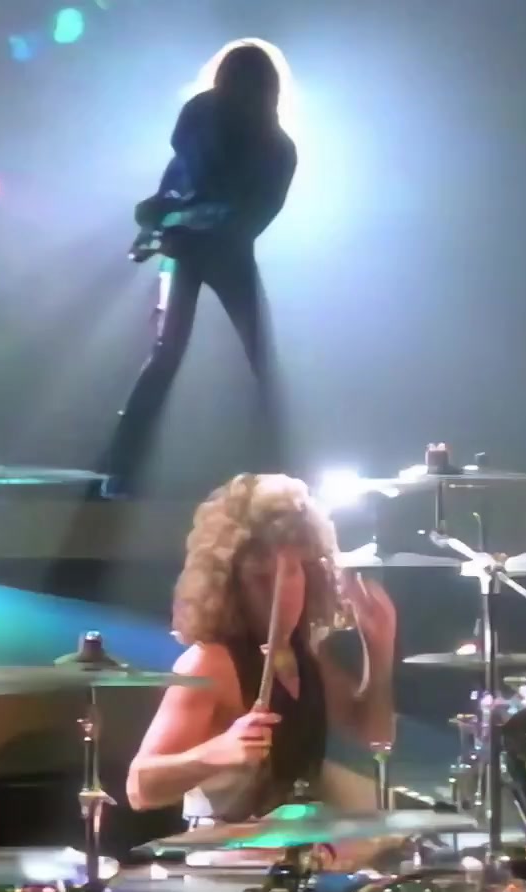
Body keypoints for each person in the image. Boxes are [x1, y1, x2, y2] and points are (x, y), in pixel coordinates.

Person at [126, 474, 396, 823]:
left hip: (295, 844)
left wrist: (379, 648)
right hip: (222, 850)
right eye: (260, 578)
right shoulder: (209, 663)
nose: (279, 592)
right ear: (231, 586)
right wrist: (215, 753)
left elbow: (375, 737)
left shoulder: (305, 655)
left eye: (292, 573)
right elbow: (140, 787)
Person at [98, 43, 299, 498]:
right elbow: (180, 179)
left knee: (216, 356)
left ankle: (124, 469)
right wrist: (161, 219)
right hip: (199, 249)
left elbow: (246, 218)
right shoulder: (223, 125)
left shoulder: (272, 148)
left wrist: (174, 221)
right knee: (202, 356)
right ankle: (122, 468)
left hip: (213, 250)